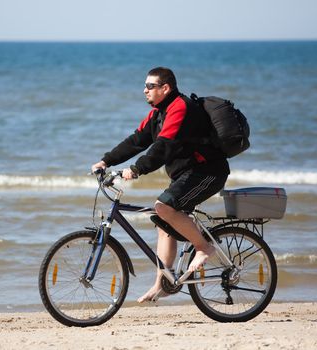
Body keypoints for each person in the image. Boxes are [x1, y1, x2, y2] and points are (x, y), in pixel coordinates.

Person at [91, 67, 230, 303]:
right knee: (164, 220)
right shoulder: (158, 113)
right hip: (187, 175)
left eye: (150, 86)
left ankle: (204, 247)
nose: (144, 90)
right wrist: (106, 160)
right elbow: (137, 140)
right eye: (144, 86)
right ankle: (162, 284)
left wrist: (137, 169)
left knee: (163, 207)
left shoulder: (180, 107)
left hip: (207, 172)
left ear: (165, 88)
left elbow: (163, 147)